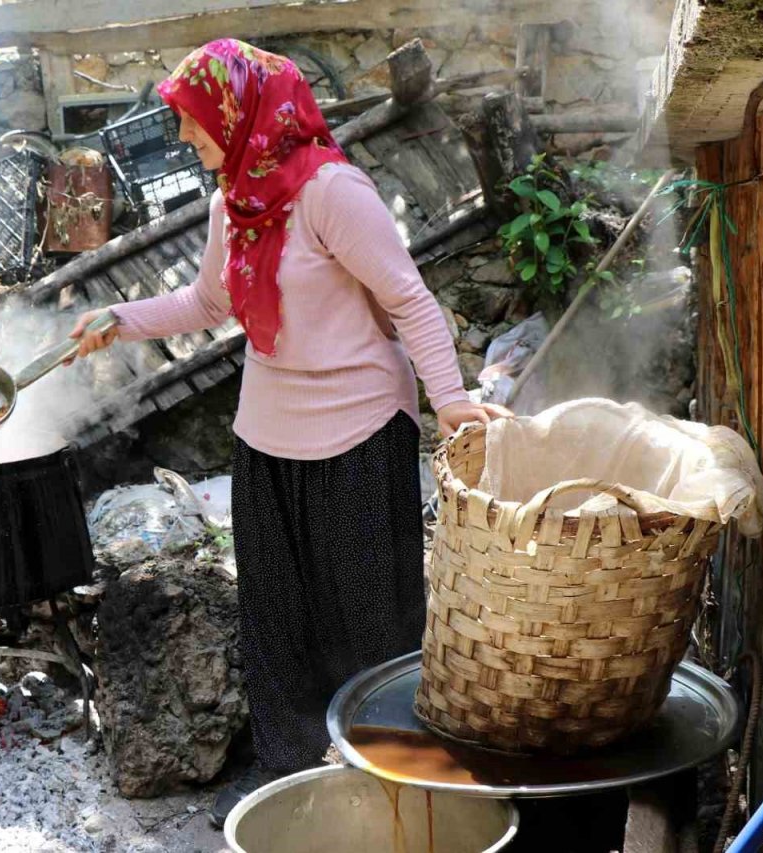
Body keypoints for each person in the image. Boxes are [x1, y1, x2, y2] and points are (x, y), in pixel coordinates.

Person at [68, 39, 508, 826]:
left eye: (195, 124)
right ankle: (294, 790)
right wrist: (118, 319)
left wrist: (450, 398)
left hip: (360, 434)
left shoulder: (332, 192)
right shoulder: (231, 201)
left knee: (373, 625)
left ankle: (397, 790)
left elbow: (408, 300)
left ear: (239, 113)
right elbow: (207, 305)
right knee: (279, 623)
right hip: (267, 440)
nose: (188, 141)